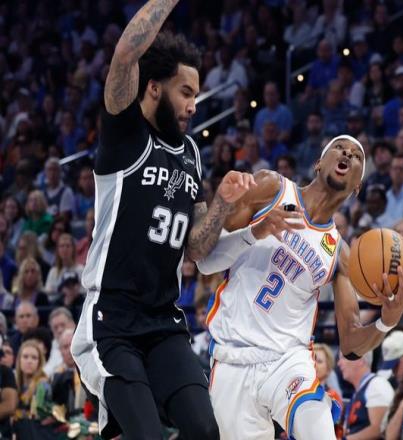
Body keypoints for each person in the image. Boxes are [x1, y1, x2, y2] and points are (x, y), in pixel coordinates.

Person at [71, 2, 253, 439]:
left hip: (163, 321)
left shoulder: (190, 154)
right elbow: (124, 55)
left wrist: (224, 203)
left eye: (196, 95)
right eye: (185, 92)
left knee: (205, 430)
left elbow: (196, 248)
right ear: (153, 88)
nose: (193, 105)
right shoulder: (125, 133)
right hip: (111, 320)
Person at [197, 135, 403, 439]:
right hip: (232, 358)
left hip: (288, 362)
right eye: (339, 148)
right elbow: (206, 262)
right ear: (319, 163)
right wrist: (256, 231)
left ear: (357, 186)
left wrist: (387, 320)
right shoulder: (272, 188)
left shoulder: (340, 255)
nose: (347, 154)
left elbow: (350, 344)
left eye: (356, 155)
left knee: (319, 429)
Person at [339, 350, 395, 439]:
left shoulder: (377, 384)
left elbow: (379, 429)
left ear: (359, 359)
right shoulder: (360, 390)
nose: (339, 363)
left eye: (343, 357)